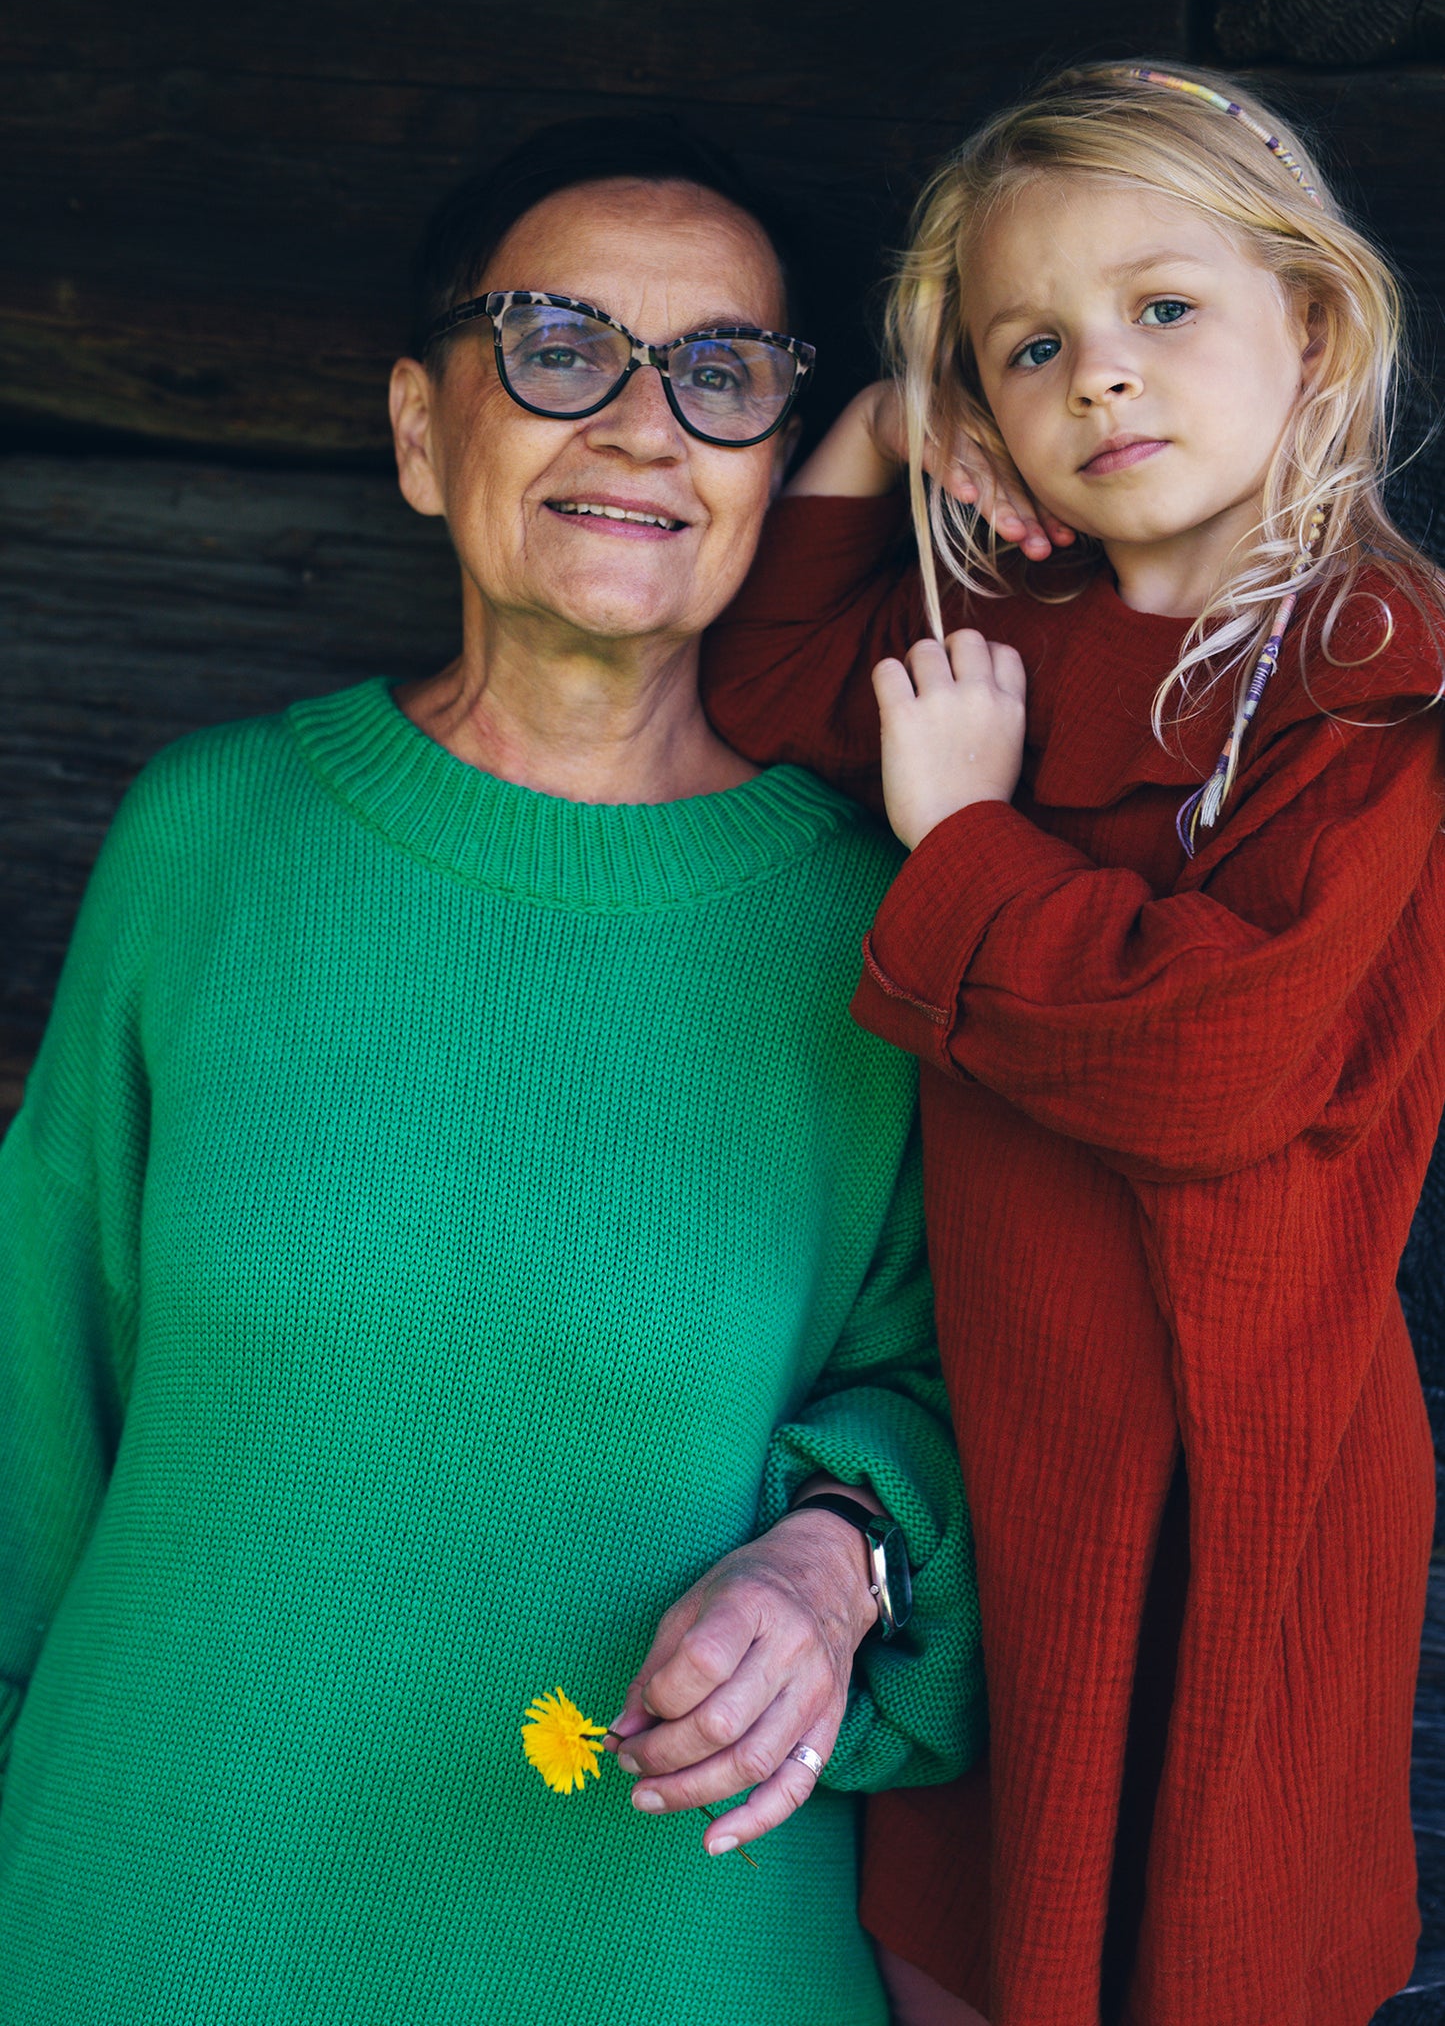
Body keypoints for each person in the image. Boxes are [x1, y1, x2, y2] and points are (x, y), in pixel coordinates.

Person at [0, 120, 985, 2026]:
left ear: (778, 468)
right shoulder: (215, 838)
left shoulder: (886, 922)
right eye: (555, 346)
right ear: (419, 428)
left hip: (661, 1940)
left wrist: (830, 1557)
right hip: (144, 1903)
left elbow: (975, 1384)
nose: (637, 425)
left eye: (719, 377)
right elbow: (31, 1393)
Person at [700, 61, 1445, 2024]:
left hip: (1249, 1461)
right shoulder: (1020, 660)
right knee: (981, 1933)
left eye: (1164, 309)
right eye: (1034, 347)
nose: (1103, 376)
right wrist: (885, 418)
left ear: (1318, 321)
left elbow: (1210, 1070)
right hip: (1024, 1442)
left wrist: (968, 838)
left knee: (1210, 1930)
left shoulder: (1378, 676)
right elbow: (773, 671)